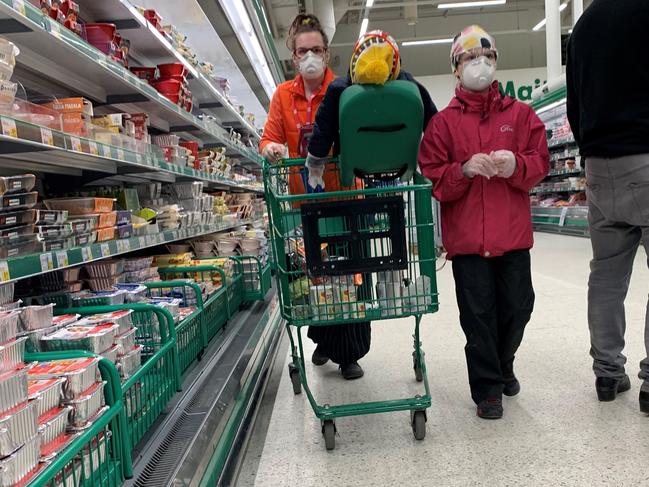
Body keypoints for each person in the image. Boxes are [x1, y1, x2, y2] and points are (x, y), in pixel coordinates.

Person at [418, 25, 549, 419]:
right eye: (470, 58)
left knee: (518, 307)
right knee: (478, 317)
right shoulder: (442, 124)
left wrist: (516, 164)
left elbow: (540, 162)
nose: (480, 64)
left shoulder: (521, 115)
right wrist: (465, 169)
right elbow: (434, 177)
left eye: (487, 57)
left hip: (512, 236)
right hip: (468, 242)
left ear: (496, 62)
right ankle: (488, 388)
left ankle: (504, 360)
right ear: (456, 69)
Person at [259, 14, 368, 380]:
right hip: (304, 204)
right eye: (303, 50)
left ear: (327, 53)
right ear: (293, 55)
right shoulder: (282, 96)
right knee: (318, 277)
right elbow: (268, 139)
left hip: (343, 197)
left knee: (348, 276)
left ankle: (348, 354)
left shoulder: (342, 91)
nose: (310, 57)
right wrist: (273, 148)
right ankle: (324, 336)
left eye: (316, 50)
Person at [566, 0, 649, 412]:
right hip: (646, 156)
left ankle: (607, 373)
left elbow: (573, 103)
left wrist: (590, 151)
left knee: (606, 276)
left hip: (599, 165)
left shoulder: (584, 24)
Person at [304, 30, 437, 189]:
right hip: (399, 162)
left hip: (353, 164)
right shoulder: (410, 86)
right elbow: (433, 125)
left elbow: (324, 127)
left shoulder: (339, 90)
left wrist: (315, 160)